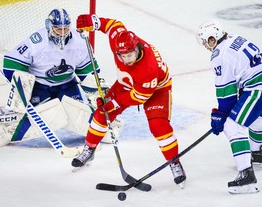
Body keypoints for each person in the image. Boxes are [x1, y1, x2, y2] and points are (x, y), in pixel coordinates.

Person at [71, 14, 187, 188]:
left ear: (138, 48)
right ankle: (89, 149)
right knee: (102, 112)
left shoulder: (148, 68)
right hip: (128, 83)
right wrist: (93, 22)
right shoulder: (120, 41)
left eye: (130, 55)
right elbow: (112, 25)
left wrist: (115, 102)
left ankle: (174, 161)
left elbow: (139, 97)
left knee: (158, 126)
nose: (126, 60)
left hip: (156, 89)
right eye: (121, 56)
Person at [0, 9, 123, 147]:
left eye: (65, 29)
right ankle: (1, 128)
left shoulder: (80, 41)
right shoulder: (37, 41)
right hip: (40, 87)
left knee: (79, 115)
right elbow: (11, 61)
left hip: (67, 85)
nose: (62, 33)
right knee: (44, 118)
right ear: (49, 27)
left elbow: (88, 71)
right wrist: (20, 85)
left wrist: (97, 95)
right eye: (58, 29)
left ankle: (105, 122)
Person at [196, 19, 262, 194]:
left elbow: (227, 94)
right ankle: (257, 155)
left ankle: (247, 178)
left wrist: (220, 116)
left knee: (232, 125)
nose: (205, 46)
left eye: (206, 41)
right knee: (255, 118)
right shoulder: (234, 38)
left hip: (261, 85)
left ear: (213, 38)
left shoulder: (219, 55)